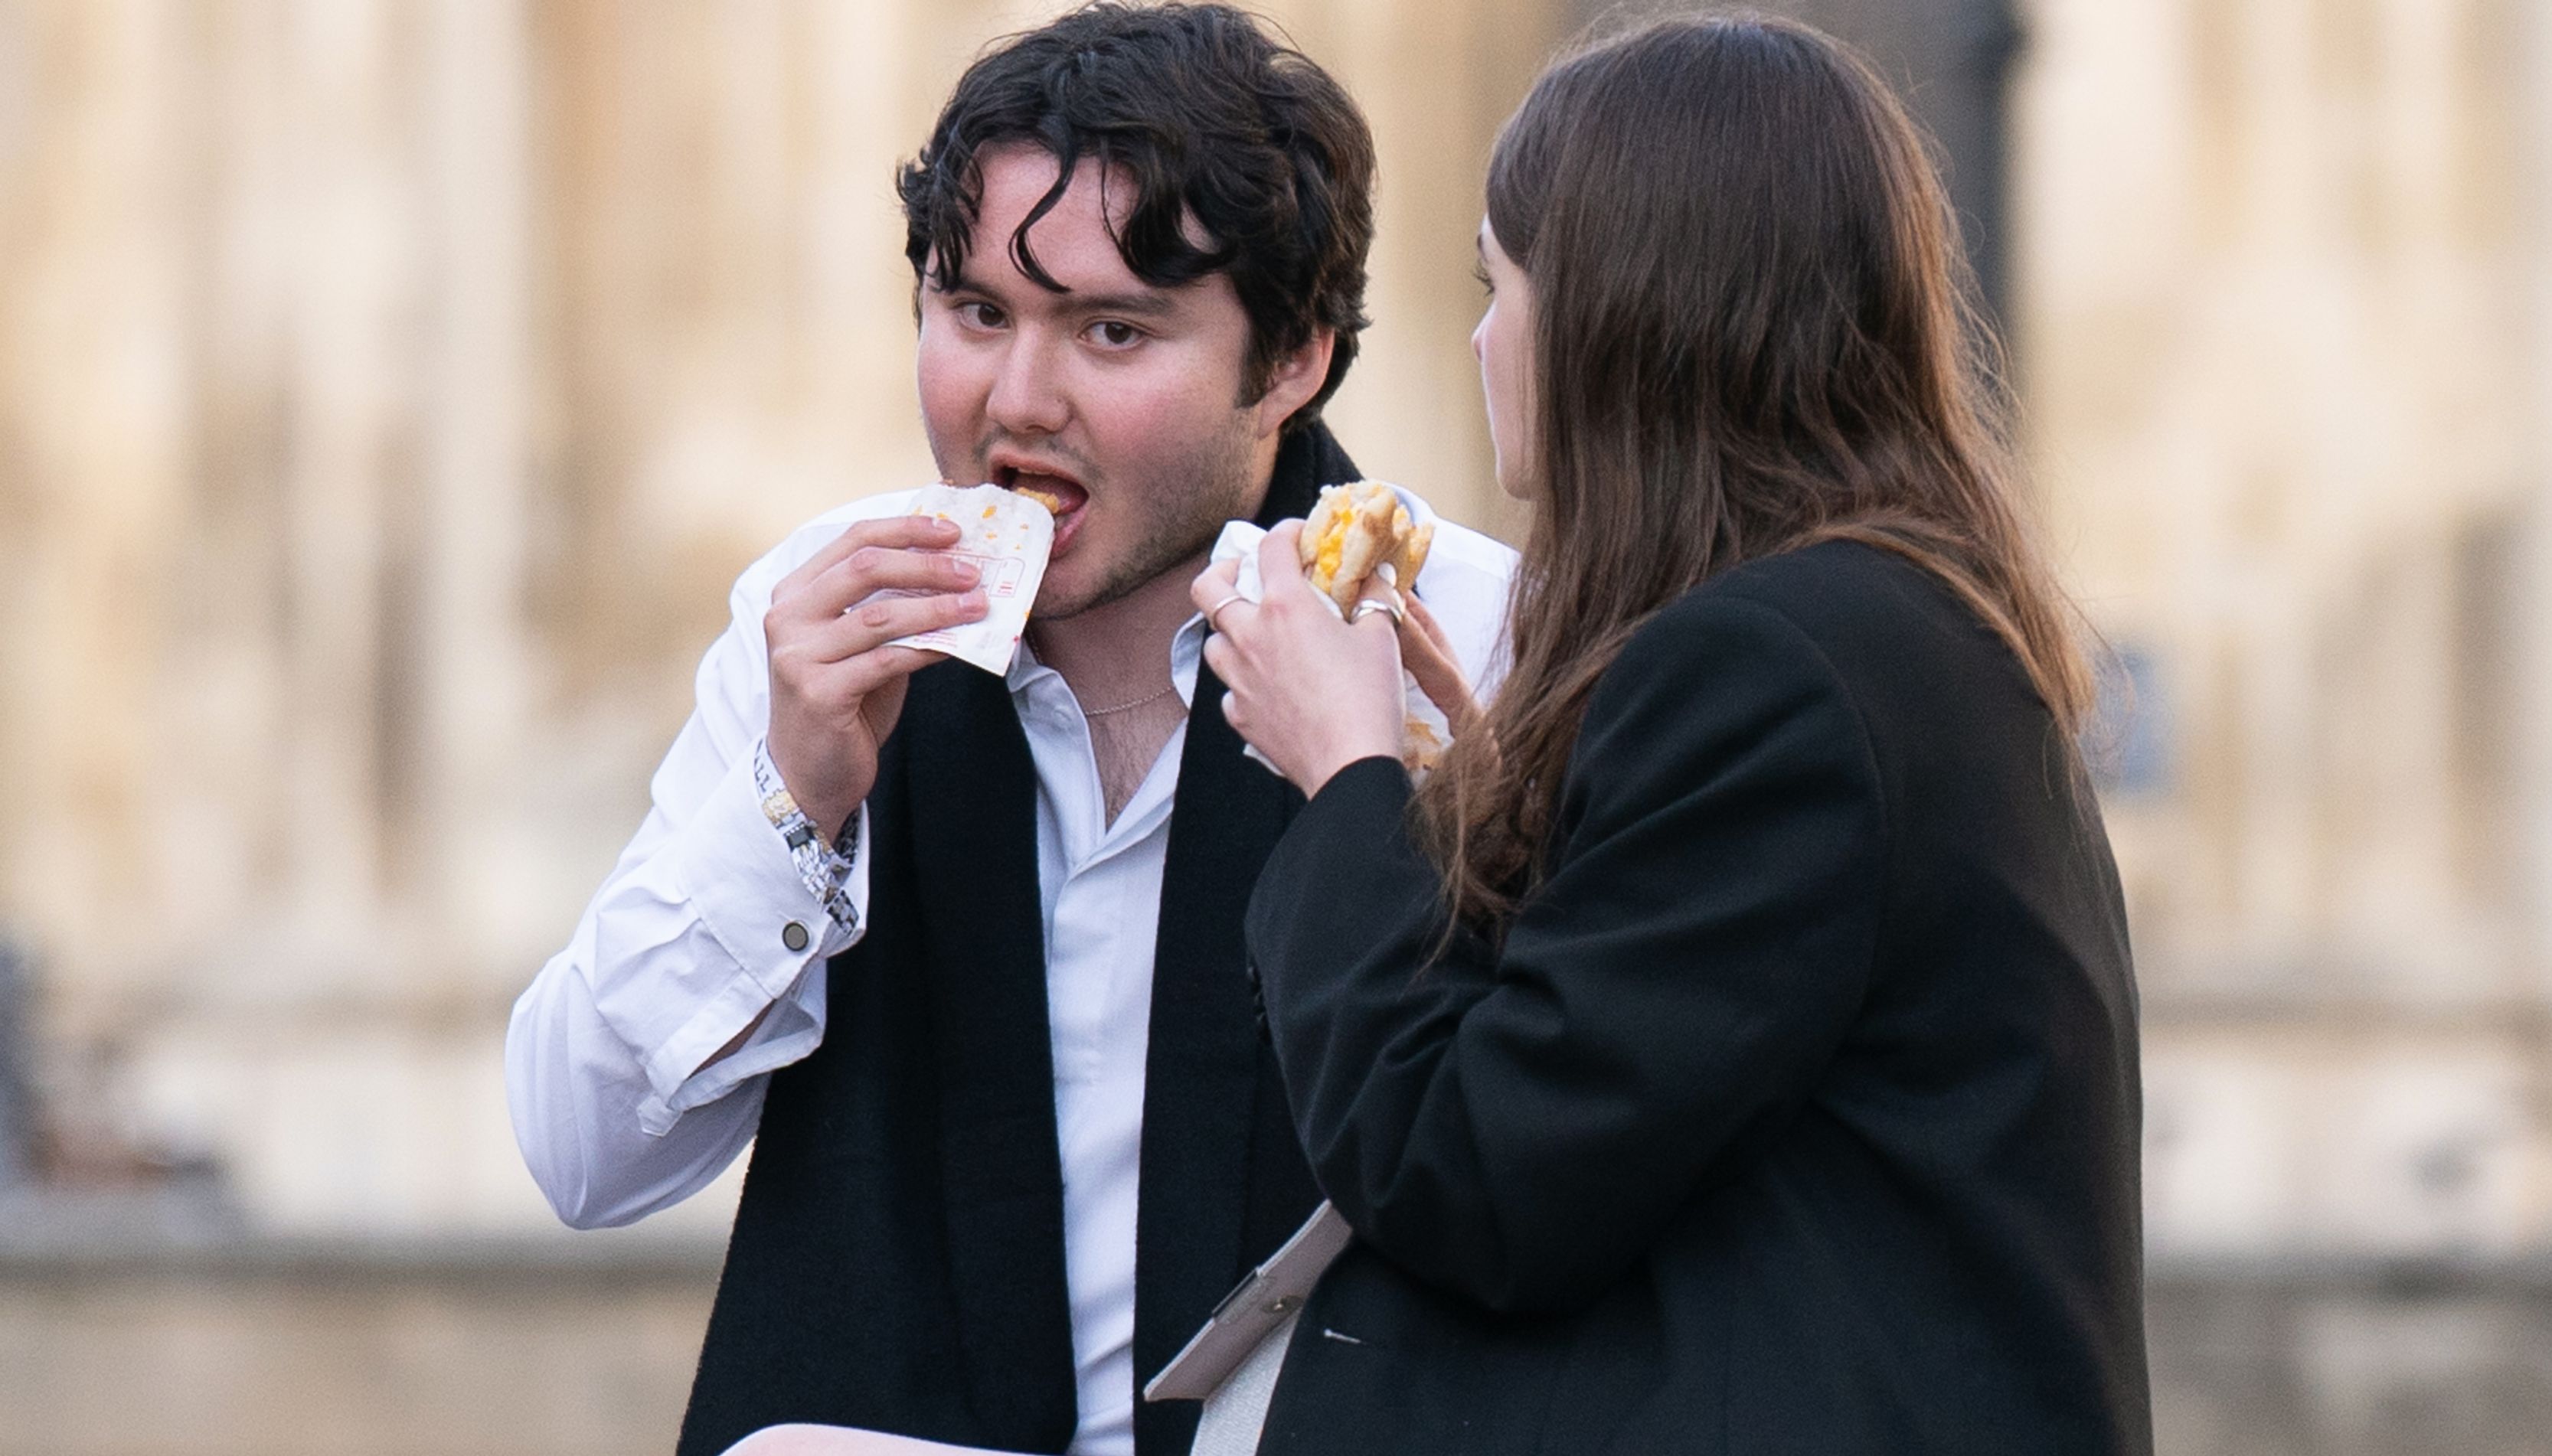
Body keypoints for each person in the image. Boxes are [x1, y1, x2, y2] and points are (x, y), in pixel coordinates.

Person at [502, 8, 1516, 1456]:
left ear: (1293, 359)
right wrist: (794, 798)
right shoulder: (821, 622)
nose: (1017, 401)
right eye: (975, 312)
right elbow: (580, 1155)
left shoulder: (1469, 642)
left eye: (1112, 330)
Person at [1194, 15, 2152, 1453]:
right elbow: (1668, 1078)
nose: (1478, 337)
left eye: (1496, 283)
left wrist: (1347, 779)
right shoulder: (1886, 627)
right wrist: (1474, 792)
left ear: (1618, 313)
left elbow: (1477, 1176)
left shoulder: (1770, 667)